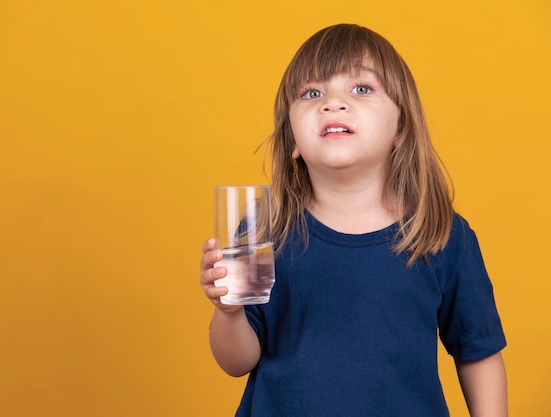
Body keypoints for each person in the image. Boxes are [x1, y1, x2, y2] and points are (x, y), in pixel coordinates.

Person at [199, 23, 507, 416]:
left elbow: (478, 352)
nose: (332, 103)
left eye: (361, 88)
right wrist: (229, 311)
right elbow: (236, 362)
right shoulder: (263, 230)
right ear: (292, 138)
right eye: (312, 93)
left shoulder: (441, 233)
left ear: (401, 128)